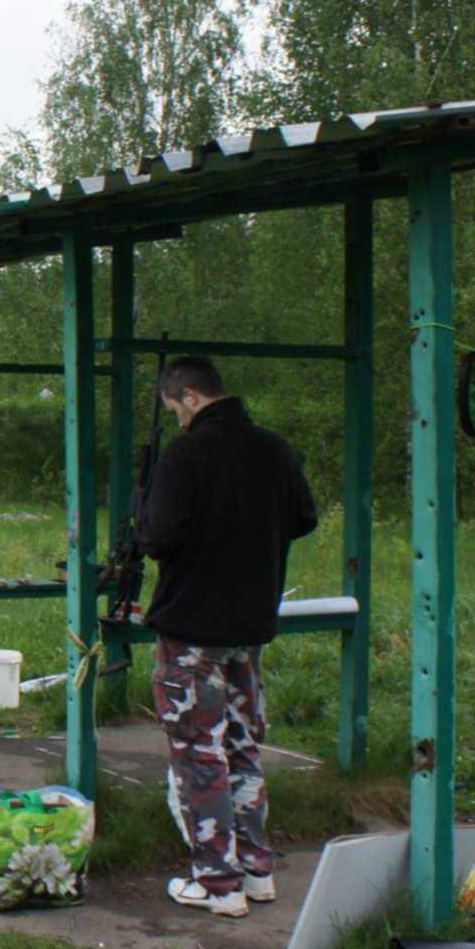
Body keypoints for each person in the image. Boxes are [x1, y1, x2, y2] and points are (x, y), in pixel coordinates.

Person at [139, 355, 317, 918]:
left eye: (175, 411)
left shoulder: (185, 454)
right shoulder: (275, 449)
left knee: (198, 752)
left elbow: (158, 537)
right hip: (250, 626)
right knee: (242, 746)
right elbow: (304, 518)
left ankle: (217, 883)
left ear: (189, 397)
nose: (177, 421)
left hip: (193, 628)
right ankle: (256, 870)